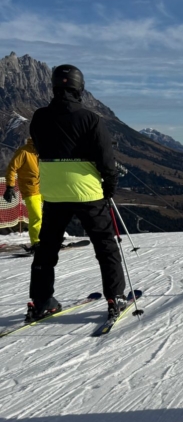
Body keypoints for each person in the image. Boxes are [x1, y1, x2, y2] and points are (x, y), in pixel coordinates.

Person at [26, 64, 126, 322]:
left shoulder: (39, 117)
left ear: (53, 86)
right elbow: (106, 159)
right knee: (105, 246)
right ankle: (115, 297)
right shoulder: (91, 119)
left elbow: (38, 146)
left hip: (53, 192)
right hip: (87, 193)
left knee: (47, 249)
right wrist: (109, 186)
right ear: (80, 88)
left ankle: (40, 301)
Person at [4, 138, 42, 251]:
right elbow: (12, 168)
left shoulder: (44, 151)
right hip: (30, 189)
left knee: (51, 215)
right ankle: (36, 243)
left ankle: (50, 238)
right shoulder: (24, 152)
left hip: (45, 188)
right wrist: (10, 186)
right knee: (36, 216)